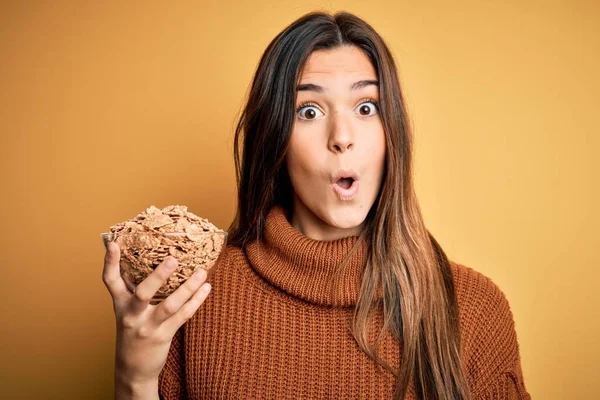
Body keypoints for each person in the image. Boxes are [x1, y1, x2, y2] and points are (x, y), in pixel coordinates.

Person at [102, 11, 531, 400]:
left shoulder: (474, 309)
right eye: (308, 110)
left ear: (391, 133)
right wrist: (133, 379)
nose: (342, 135)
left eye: (366, 107)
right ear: (275, 141)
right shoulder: (194, 296)